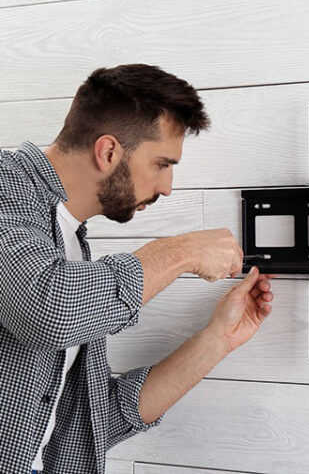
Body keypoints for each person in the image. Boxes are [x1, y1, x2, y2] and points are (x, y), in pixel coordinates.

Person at [0, 63, 276, 474]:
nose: (167, 187)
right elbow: (47, 310)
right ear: (108, 151)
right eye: (162, 164)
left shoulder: (71, 242)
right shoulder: (8, 188)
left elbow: (91, 424)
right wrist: (178, 252)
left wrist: (219, 338)